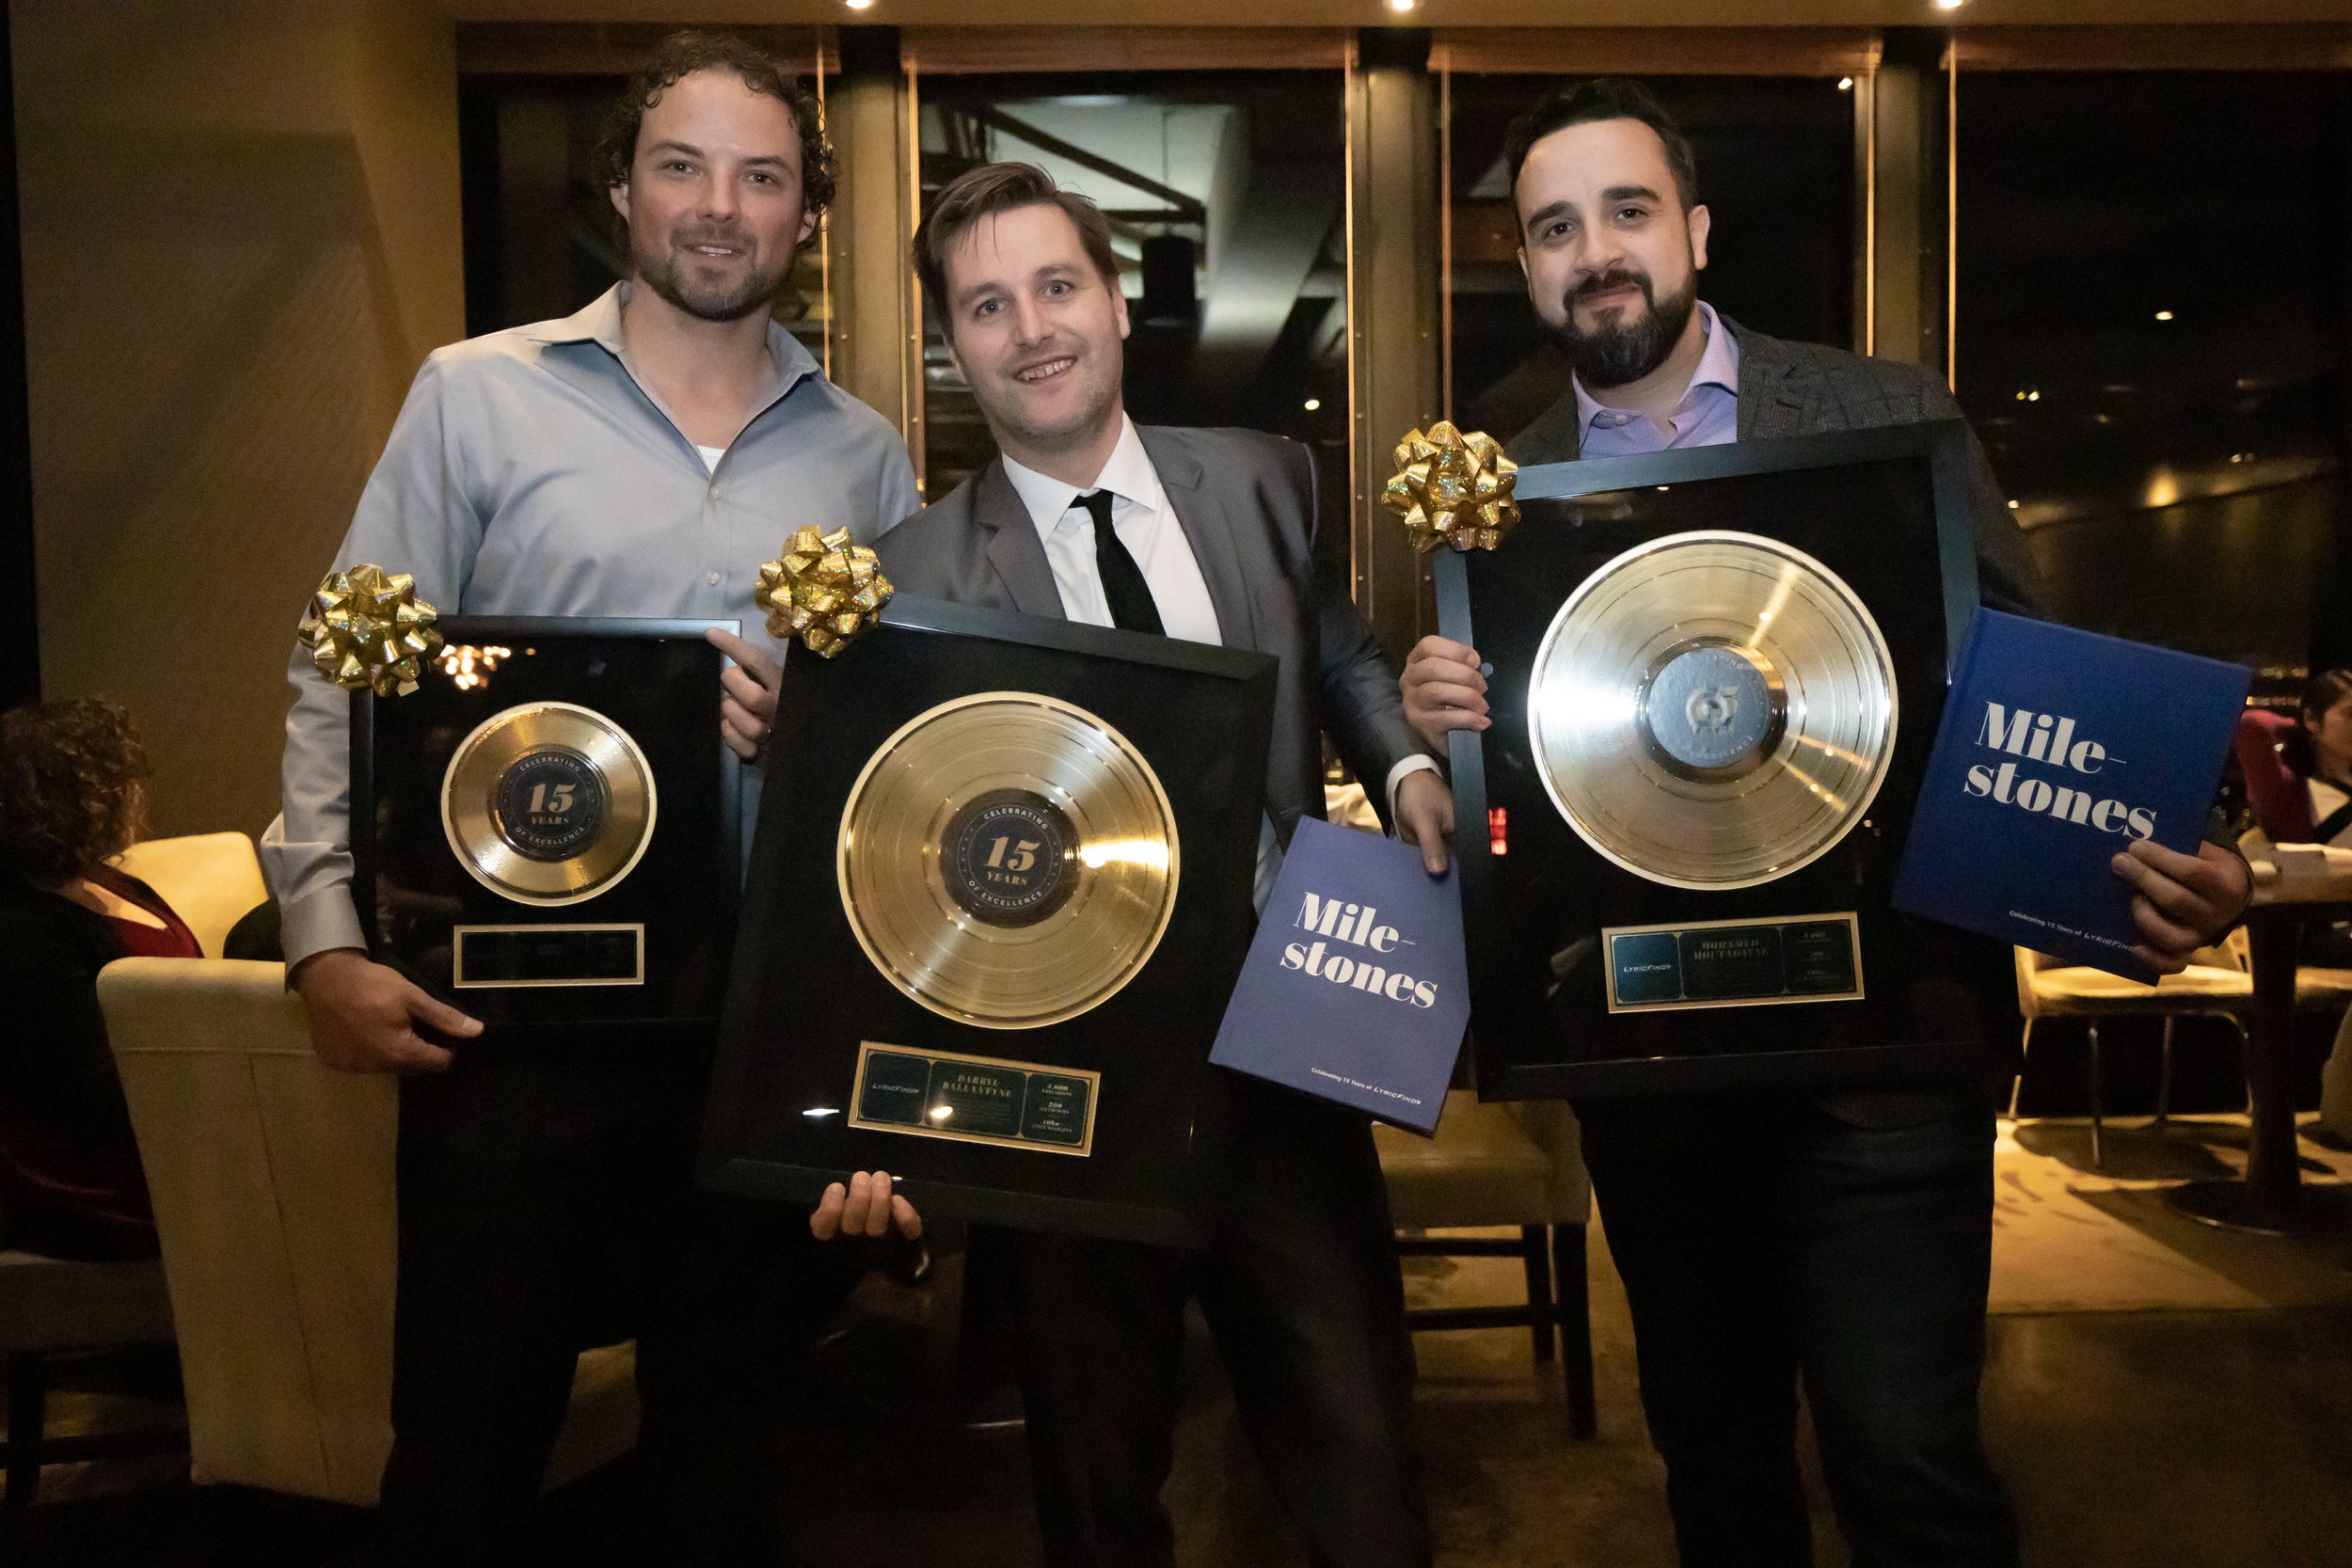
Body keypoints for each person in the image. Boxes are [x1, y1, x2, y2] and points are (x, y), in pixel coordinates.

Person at [1398, 80, 2251, 1568]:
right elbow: (1532, 790)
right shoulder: (1492, 477)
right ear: (1525, 266)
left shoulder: (1882, 413)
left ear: (1698, 231)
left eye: (1627, 211)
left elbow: (2034, 676)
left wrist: (2194, 837)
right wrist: (1448, 721)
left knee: (1906, 1457)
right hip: (1648, 1062)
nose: (1595, 251)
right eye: (1553, 227)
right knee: (1717, 1466)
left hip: (1889, 1039)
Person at [258, 30, 918, 1567]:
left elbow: (898, 746)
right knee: (466, 1450)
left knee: (725, 1462)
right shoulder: (476, 399)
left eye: (761, 176)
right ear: (623, 188)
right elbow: (342, 665)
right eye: (682, 165)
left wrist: (820, 729)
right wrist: (323, 933)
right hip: (506, 1024)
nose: (718, 204)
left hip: (748, 1033)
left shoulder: (867, 454)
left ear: (804, 218)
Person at [832, 161, 1450, 1568]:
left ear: (1112, 301)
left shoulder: (1260, 478)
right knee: (1099, 1503)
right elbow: (891, 869)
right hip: (1069, 1099)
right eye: (986, 305)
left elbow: (1339, 640)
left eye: (1056, 286)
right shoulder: (913, 575)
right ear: (953, 342)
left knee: (1366, 1476)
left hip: (1289, 1055)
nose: (1030, 326)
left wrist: (1406, 760)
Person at [0, 698, 198, 1262]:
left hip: (174, 1122)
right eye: (126, 780)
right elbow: (93, 1097)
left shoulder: (108, 879)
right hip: (105, 1169)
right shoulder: (24, 932)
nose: (140, 792)